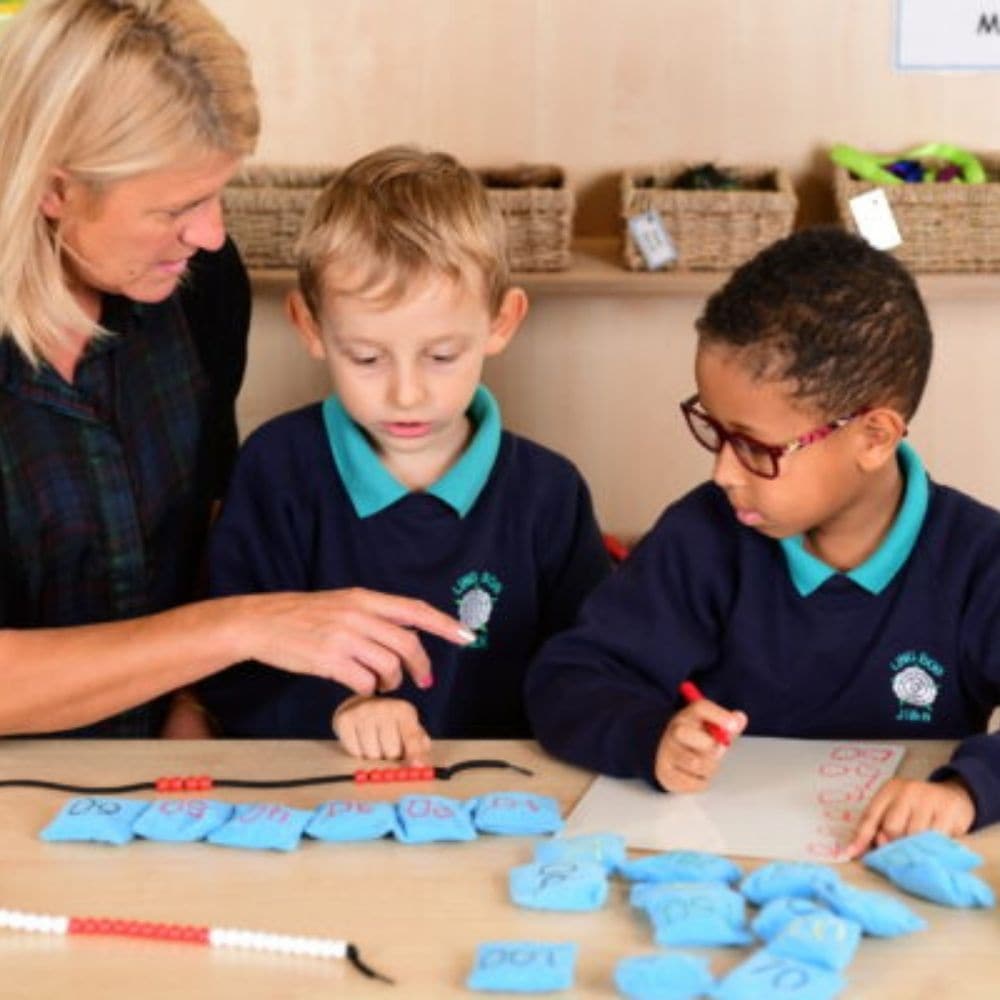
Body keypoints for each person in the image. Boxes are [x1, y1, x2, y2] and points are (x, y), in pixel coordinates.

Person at [0, 0, 471, 740]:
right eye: (176, 207)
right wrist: (240, 628)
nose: (210, 232)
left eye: (219, 191)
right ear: (53, 190)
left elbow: (203, 523)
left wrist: (194, 708)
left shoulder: (198, 285)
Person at [526, 226, 1000, 855]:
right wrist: (651, 737)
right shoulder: (703, 537)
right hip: (721, 873)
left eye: (754, 446)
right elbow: (567, 678)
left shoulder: (979, 558)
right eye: (714, 431)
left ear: (875, 437)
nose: (722, 472)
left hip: (898, 875)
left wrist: (966, 790)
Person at [198, 145, 610, 761]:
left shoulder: (549, 492)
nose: (407, 393)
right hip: (318, 792)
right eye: (366, 358)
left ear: (502, 321)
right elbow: (229, 668)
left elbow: (587, 667)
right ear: (309, 326)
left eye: (442, 356)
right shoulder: (277, 469)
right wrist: (341, 707)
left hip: (497, 798)